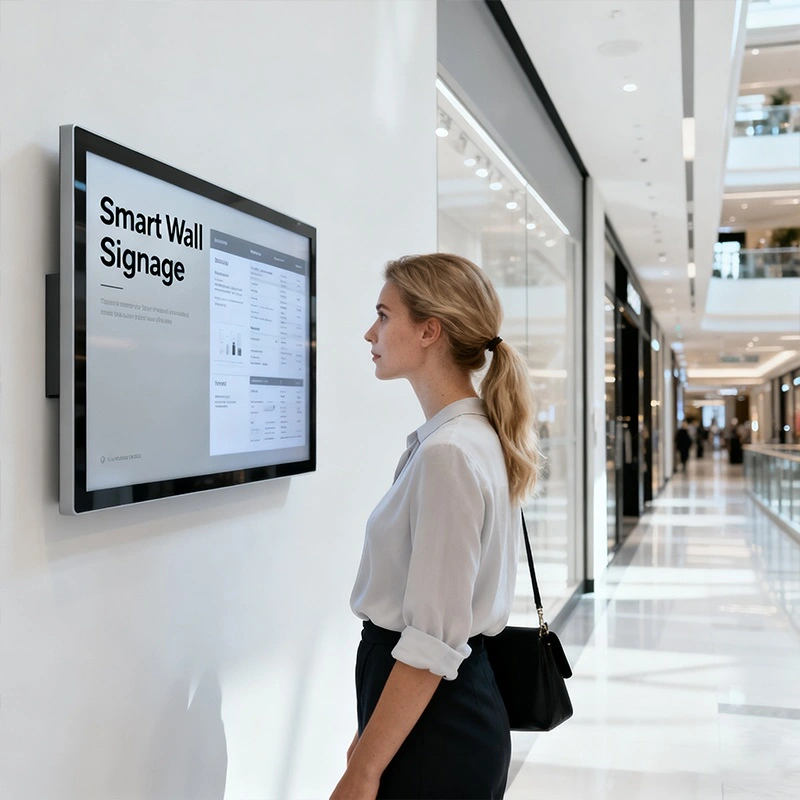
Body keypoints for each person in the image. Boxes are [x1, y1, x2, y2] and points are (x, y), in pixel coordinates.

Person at [332, 254, 542, 800]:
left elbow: (431, 640)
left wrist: (364, 769)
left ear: (430, 330)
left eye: (383, 315)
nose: (369, 332)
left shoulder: (449, 452)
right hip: (428, 706)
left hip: (437, 720)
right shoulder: (457, 440)